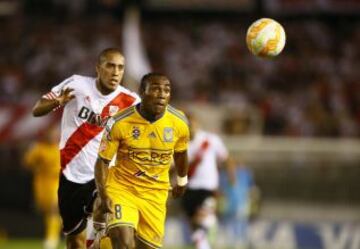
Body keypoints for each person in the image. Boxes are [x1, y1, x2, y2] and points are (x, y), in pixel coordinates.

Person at [32, 48, 140, 249]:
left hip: (107, 174)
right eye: (110, 66)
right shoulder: (77, 84)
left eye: (120, 67)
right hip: (71, 175)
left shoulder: (132, 101)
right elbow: (37, 109)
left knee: (110, 219)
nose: (116, 72)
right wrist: (57, 102)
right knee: (75, 242)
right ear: (98, 68)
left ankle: (100, 235)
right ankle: (94, 242)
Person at [95, 72, 190, 249]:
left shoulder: (179, 122)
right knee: (124, 242)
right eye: (155, 89)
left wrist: (182, 180)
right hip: (123, 189)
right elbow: (102, 161)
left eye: (166, 90)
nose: (162, 94)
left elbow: (181, 153)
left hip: (155, 194)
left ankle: (101, 245)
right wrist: (103, 194)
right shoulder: (119, 122)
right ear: (141, 92)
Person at [181, 113, 236, 249]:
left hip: (207, 187)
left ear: (197, 124)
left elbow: (226, 158)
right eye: (187, 125)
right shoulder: (181, 144)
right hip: (188, 189)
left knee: (203, 220)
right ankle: (203, 243)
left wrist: (231, 177)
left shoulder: (210, 140)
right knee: (195, 229)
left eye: (192, 124)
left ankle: (209, 223)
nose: (190, 127)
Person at [23, 126, 62, 249]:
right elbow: (27, 164)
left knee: (53, 208)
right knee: (46, 210)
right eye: (51, 134)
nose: (53, 136)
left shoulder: (61, 147)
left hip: (57, 182)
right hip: (42, 184)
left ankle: (52, 239)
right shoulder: (39, 149)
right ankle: (60, 228)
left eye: (55, 134)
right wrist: (36, 167)